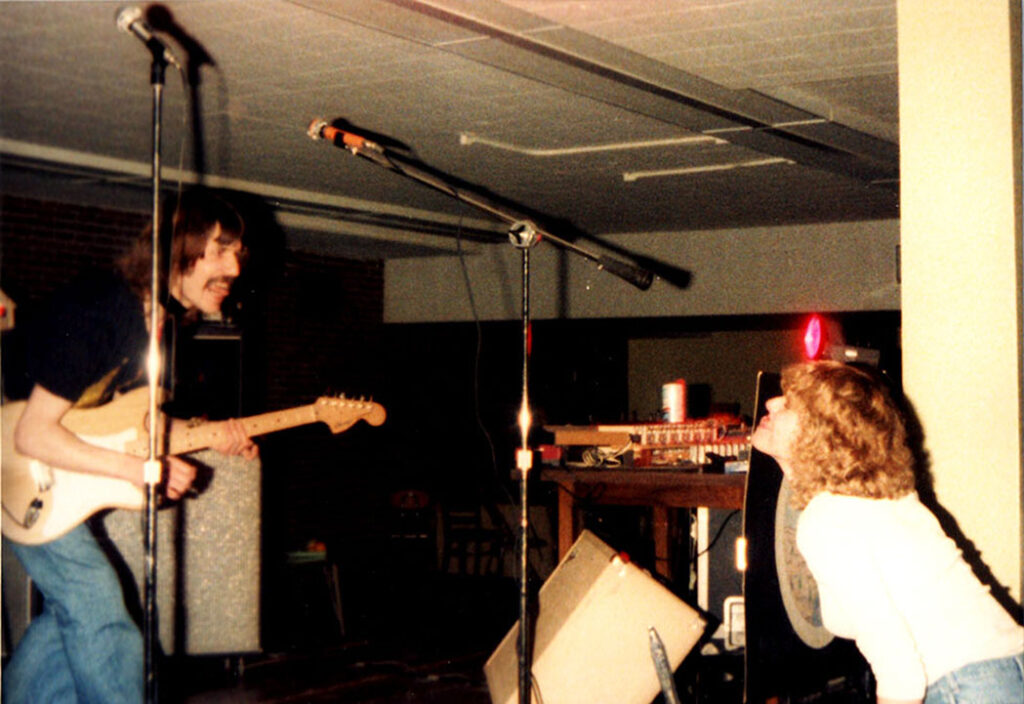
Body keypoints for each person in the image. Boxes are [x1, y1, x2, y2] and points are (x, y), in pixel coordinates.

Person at [2, 188, 259, 704]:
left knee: (77, 609)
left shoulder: (158, 329)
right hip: (16, 465)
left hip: (47, 473)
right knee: (93, 598)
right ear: (181, 248)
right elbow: (33, 432)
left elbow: (123, 422)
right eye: (221, 249)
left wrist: (211, 436)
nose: (234, 265)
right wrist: (139, 469)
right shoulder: (106, 309)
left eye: (238, 252)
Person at [751, 360, 1023, 704]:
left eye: (789, 404)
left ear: (822, 434)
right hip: (1007, 671)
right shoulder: (882, 501)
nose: (771, 403)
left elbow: (900, 671)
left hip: (965, 685)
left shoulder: (828, 519)